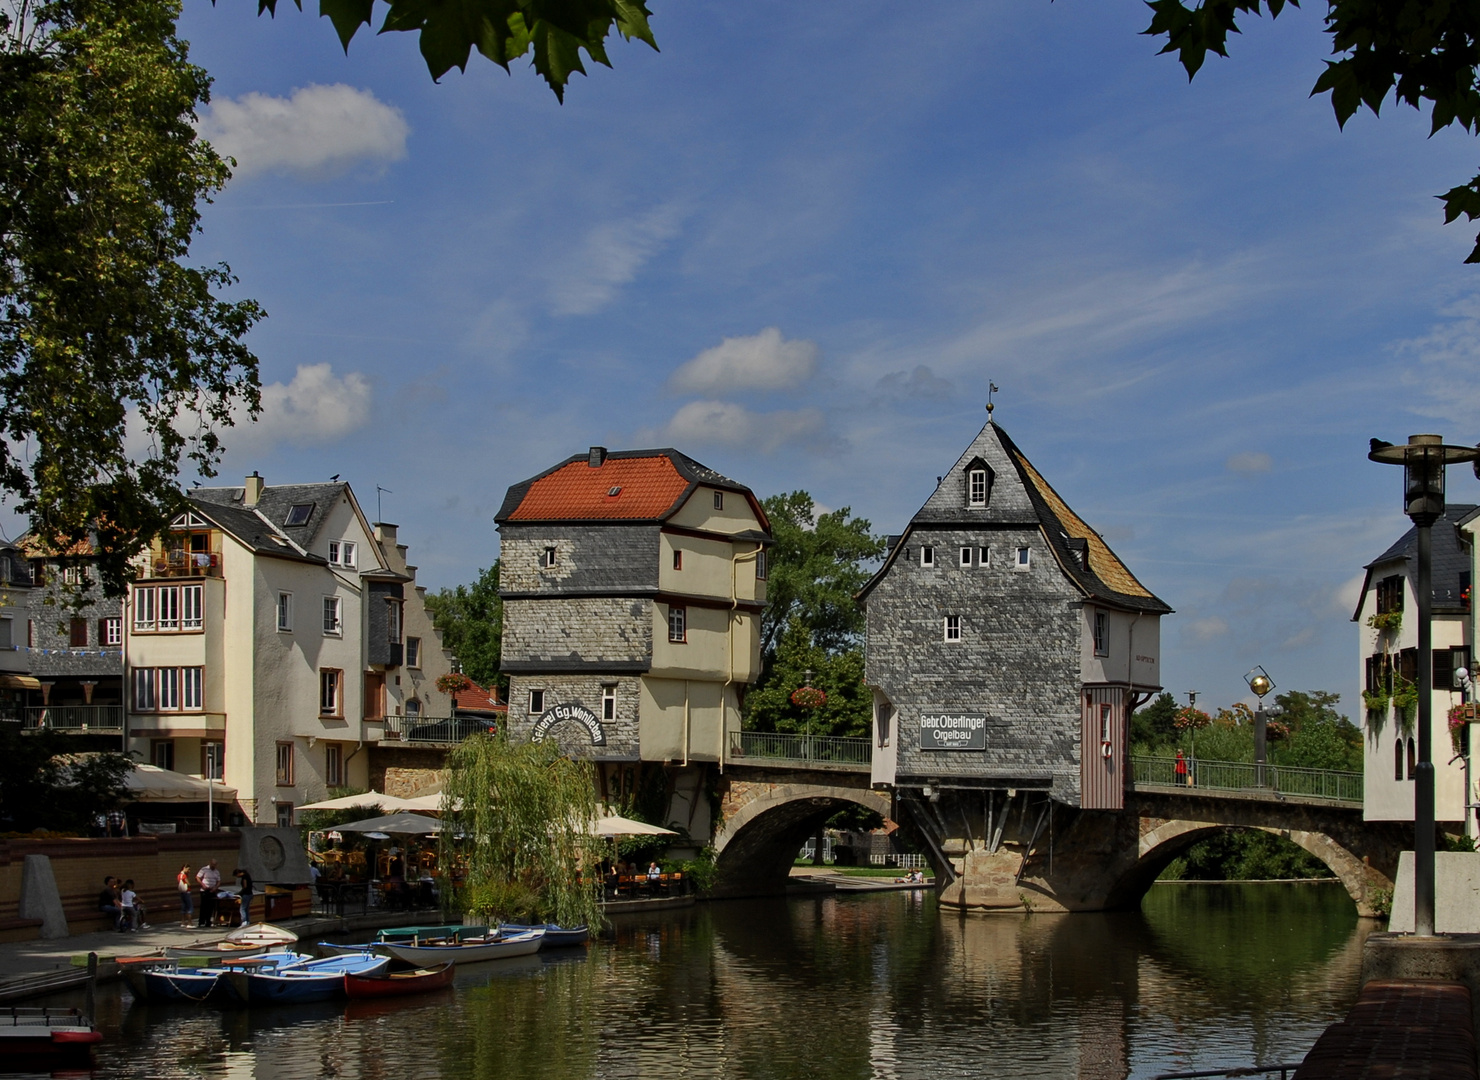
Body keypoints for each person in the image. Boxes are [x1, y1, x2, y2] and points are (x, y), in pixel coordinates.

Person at [197, 860, 221, 927]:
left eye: (215, 865)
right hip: (204, 890)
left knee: (210, 907)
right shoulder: (204, 869)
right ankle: (201, 921)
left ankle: (208, 921)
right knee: (204, 906)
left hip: (212, 890)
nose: (214, 866)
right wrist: (203, 885)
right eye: (213, 864)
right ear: (210, 863)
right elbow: (198, 877)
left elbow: (219, 881)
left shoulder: (216, 872)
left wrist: (215, 888)